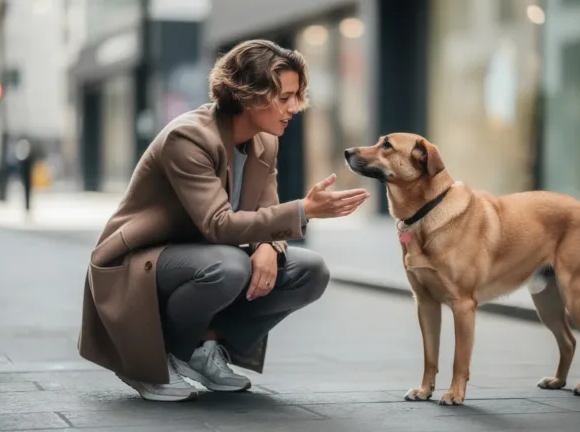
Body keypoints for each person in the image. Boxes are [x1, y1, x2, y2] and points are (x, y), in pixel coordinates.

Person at [77, 39, 370, 402]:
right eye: (284, 97)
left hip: (205, 254)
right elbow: (217, 224)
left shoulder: (266, 141)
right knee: (231, 266)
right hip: (140, 260)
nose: (294, 107)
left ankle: (204, 348)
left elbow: (267, 210)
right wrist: (304, 211)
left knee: (309, 270)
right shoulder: (188, 138)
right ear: (248, 94)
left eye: (297, 96)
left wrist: (268, 245)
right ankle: (147, 362)